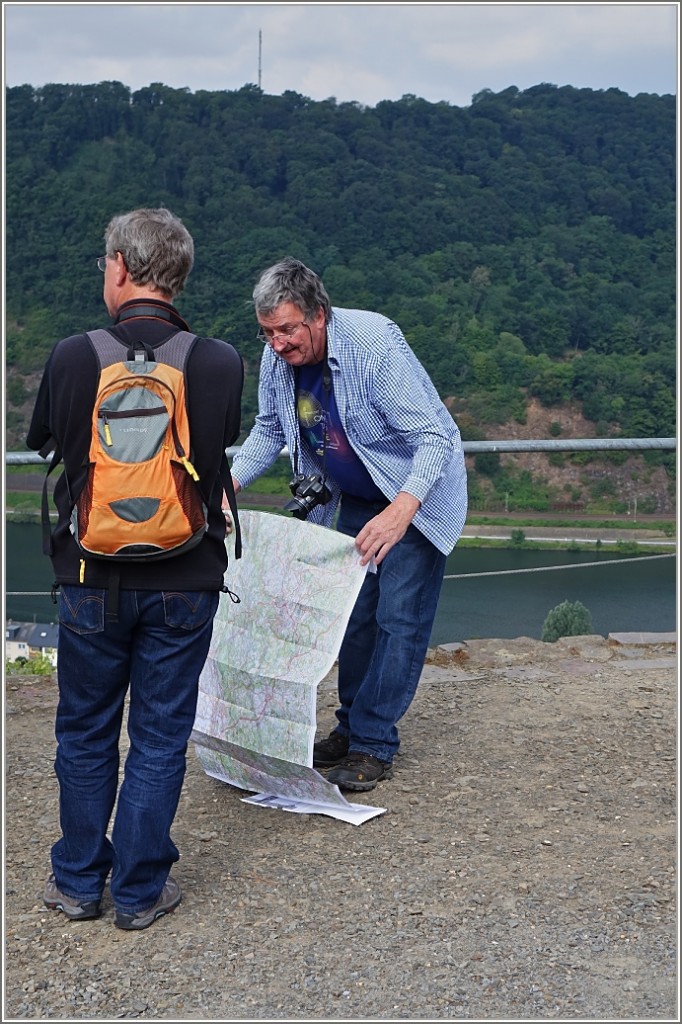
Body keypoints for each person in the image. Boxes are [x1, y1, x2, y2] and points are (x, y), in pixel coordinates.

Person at [26, 207, 244, 929]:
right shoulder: (218, 361)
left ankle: (79, 884)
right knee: (158, 735)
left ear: (122, 265)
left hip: (90, 576)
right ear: (176, 276)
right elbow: (214, 458)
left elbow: (49, 443)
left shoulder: (72, 354)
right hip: (185, 579)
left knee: (85, 731)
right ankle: (142, 892)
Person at [229, 257, 468, 792]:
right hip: (357, 495)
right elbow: (269, 429)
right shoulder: (278, 360)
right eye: (267, 333)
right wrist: (226, 486)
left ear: (318, 315)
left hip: (415, 496)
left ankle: (374, 743)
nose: (277, 345)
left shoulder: (374, 344)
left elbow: (436, 438)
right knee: (352, 617)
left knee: (398, 618)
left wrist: (401, 512)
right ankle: (351, 726)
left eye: (287, 330)